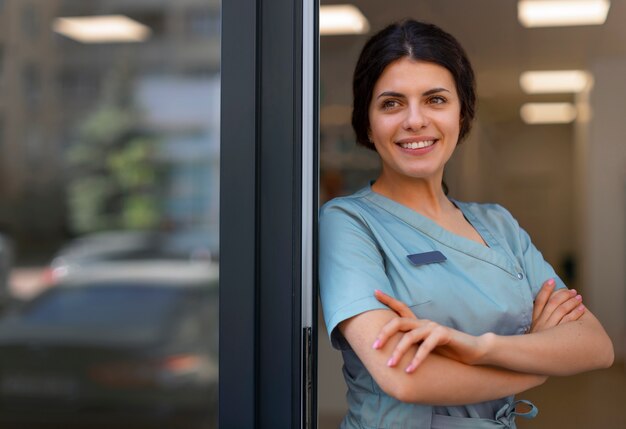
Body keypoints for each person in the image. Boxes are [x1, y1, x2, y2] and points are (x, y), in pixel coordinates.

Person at [319, 19, 614, 429]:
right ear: (367, 123)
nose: (415, 120)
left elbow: (594, 346)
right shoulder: (348, 223)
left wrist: (478, 348)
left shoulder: (500, 225)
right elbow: (403, 376)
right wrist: (538, 362)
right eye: (391, 103)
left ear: (462, 113)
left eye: (436, 99)